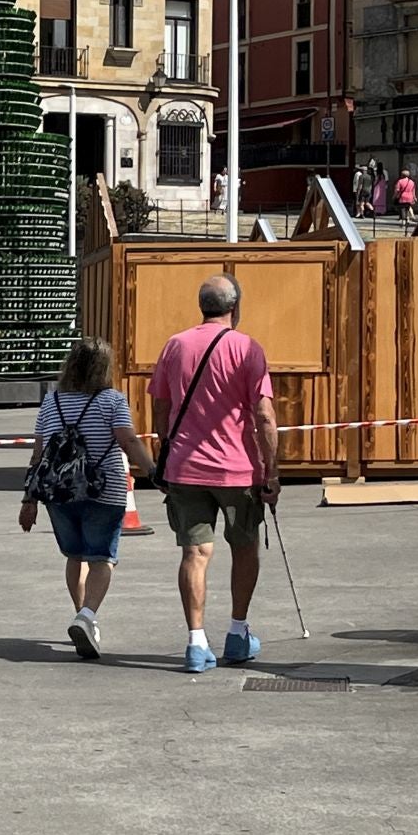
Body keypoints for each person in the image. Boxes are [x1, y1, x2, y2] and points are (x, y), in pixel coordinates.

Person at [148, 275, 280, 674]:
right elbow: (264, 416)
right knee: (244, 548)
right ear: (235, 308)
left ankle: (196, 641)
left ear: (200, 306)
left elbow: (160, 408)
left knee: (194, 553)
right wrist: (271, 470)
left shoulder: (175, 345)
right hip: (237, 470)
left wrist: (165, 445)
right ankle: (237, 633)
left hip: (185, 468)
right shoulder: (247, 349)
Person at [19, 337, 153, 660]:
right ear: (104, 368)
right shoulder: (112, 401)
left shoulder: (52, 402)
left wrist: (29, 500)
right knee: (102, 558)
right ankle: (86, 616)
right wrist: (153, 470)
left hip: (59, 493)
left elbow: (38, 454)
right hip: (103, 491)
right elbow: (129, 442)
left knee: (75, 555)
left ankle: (82, 616)